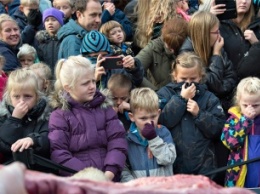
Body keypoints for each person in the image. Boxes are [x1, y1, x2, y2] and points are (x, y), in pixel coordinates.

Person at [48, 55, 127, 181]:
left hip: (110, 179)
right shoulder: (59, 116)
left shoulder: (105, 108)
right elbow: (60, 154)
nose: (92, 86)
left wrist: (109, 173)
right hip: (79, 181)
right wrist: (90, 178)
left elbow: (117, 141)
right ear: (68, 88)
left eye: (92, 80)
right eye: (85, 83)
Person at [157, 52, 226, 180]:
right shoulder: (164, 94)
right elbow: (162, 121)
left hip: (204, 167)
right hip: (173, 166)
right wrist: (181, 99)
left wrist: (199, 114)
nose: (188, 83)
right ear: (175, 76)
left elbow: (219, 129)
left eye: (193, 79)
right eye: (183, 79)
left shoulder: (209, 98)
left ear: (200, 77)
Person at [179, 11, 236, 113]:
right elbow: (213, 83)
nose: (219, 36)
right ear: (204, 34)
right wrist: (216, 55)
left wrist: (221, 88)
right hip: (200, 108)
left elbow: (231, 76)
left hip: (222, 102)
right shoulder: (187, 54)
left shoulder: (216, 46)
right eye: (216, 32)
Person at [121, 87, 176, 182]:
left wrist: (154, 139)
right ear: (132, 117)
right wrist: (133, 185)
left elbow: (168, 159)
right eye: (143, 118)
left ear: (158, 113)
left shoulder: (163, 133)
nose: (149, 122)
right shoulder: (128, 139)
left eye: (153, 117)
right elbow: (123, 169)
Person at [0, 68, 50, 164]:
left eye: (27, 96)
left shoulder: (45, 114)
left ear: (37, 96)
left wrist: (33, 140)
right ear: (9, 97)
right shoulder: (3, 116)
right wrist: (14, 120)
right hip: (12, 167)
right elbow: (4, 147)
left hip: (39, 167)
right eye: (16, 96)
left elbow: (48, 140)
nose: (22, 101)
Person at [221, 77, 260, 188]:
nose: (250, 109)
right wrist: (245, 121)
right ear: (238, 102)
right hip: (240, 177)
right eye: (245, 105)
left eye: (255, 105)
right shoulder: (233, 120)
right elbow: (230, 142)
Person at [136, 17, 188, 91]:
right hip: (161, 94)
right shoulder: (154, 47)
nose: (172, 51)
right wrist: (155, 92)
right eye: (170, 46)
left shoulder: (190, 46)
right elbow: (134, 71)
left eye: (176, 47)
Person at [219, 0, 260, 81]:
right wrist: (210, 16)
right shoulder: (219, 24)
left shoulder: (257, 25)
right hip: (227, 83)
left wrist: (256, 43)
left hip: (252, 85)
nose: (244, 1)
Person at [35, 7, 64, 75]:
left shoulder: (64, 40)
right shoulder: (41, 42)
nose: (50, 23)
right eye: (47, 20)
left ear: (60, 22)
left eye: (54, 20)